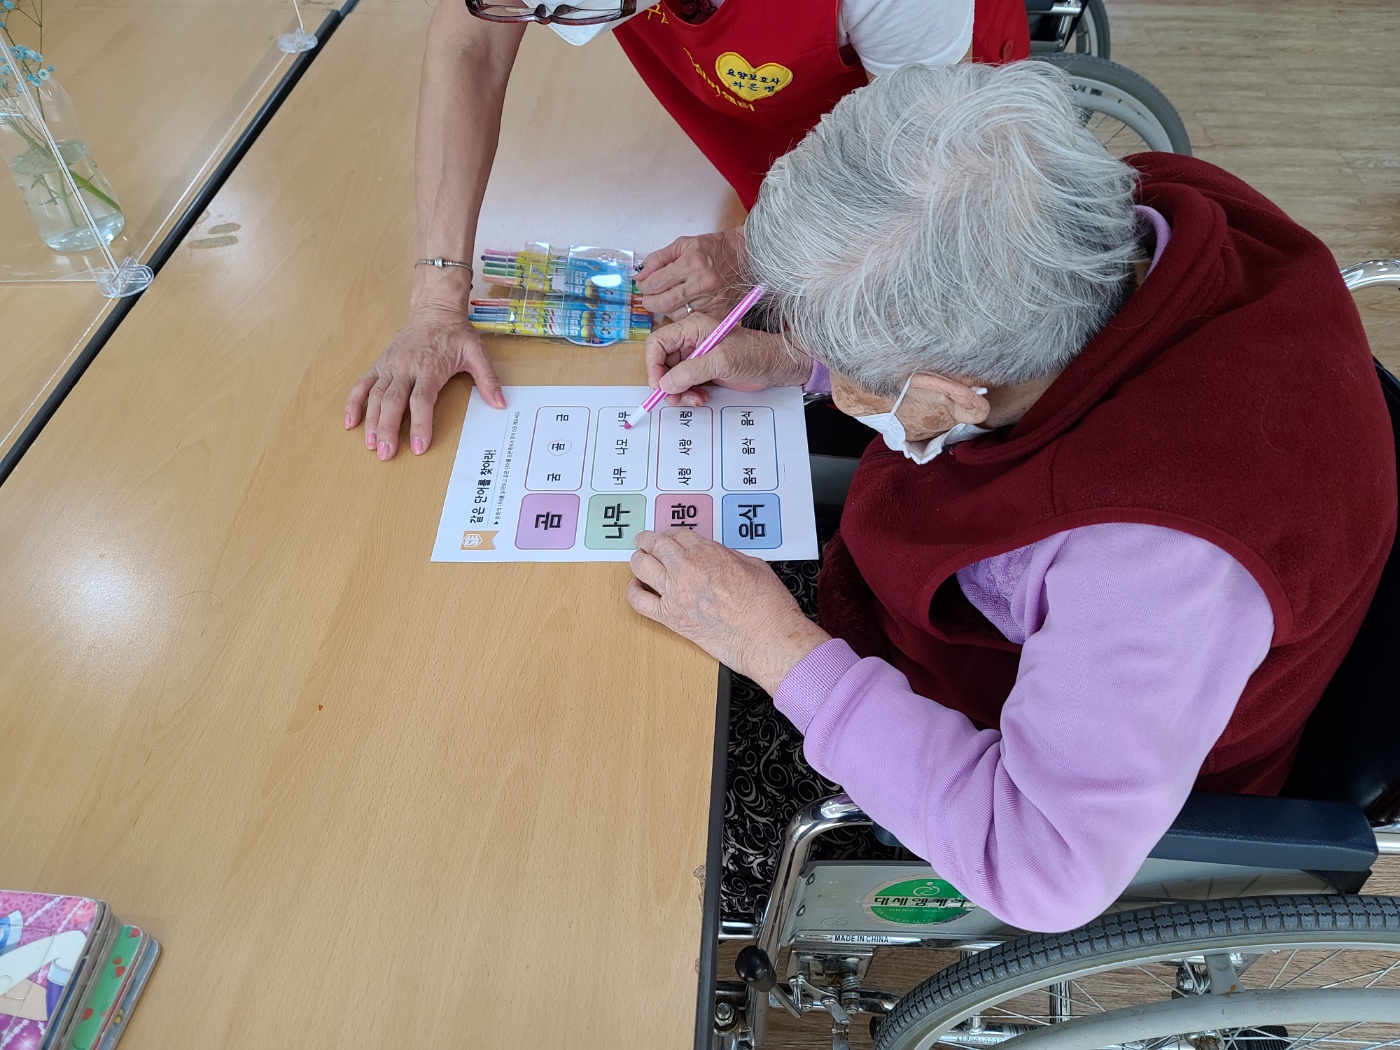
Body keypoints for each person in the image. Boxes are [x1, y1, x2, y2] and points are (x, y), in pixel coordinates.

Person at [625, 61, 1398, 932]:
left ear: (954, 397)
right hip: (958, 620)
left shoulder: (1156, 558)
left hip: (1031, 776)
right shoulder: (1103, 213)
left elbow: (1045, 868)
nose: (835, 381)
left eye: (848, 371)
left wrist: (775, 647)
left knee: (642, 812)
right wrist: (794, 359)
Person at [342, 0, 1030, 461]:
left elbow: (934, 187)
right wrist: (436, 302)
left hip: (938, 179)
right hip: (775, 143)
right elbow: (469, 45)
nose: (542, 19)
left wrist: (762, 250)